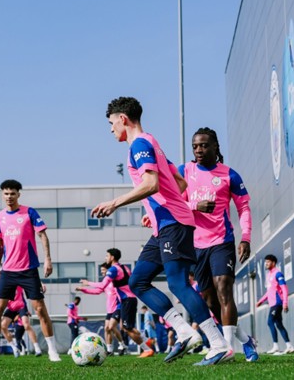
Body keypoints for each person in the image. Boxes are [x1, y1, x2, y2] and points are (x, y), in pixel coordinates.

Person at [92, 96, 233, 366]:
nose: (111, 129)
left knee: (178, 283)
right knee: (137, 282)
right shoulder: (152, 143)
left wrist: (114, 203)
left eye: (111, 123)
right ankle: (184, 332)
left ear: (123, 119)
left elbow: (151, 184)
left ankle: (218, 344)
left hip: (174, 223)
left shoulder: (139, 144)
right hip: (165, 224)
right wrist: (157, 208)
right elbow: (179, 182)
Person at [180, 127, 259, 362]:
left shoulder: (229, 175)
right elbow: (174, 203)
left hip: (222, 240)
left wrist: (246, 238)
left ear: (215, 146)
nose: (198, 150)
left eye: (204, 145)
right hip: (196, 244)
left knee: (224, 287)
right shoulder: (185, 171)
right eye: (195, 146)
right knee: (210, 300)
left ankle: (227, 349)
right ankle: (245, 340)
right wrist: (195, 207)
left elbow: (244, 208)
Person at [0, 179, 61, 363]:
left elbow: (42, 235)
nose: (9, 197)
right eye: (6, 193)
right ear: (2, 195)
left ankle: (52, 351)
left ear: (18, 194)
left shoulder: (29, 212)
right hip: (7, 271)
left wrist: (48, 259)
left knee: (40, 309)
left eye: (12, 193)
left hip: (28, 270)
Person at [77, 264, 125, 355]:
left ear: (109, 271)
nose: (102, 272)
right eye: (101, 270)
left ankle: (121, 345)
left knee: (111, 327)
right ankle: (109, 349)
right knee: (107, 328)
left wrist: (88, 283)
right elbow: (97, 291)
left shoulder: (114, 281)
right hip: (110, 309)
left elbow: (101, 285)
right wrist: (83, 289)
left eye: (103, 270)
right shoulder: (105, 283)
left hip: (118, 307)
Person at [257, 254, 294, 354]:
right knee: (279, 324)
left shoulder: (278, 274)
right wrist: (261, 301)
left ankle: (276, 346)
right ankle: (289, 346)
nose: (266, 263)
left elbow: (284, 289)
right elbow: (269, 291)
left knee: (270, 322)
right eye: (265, 262)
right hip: (272, 304)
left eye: (268, 262)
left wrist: (285, 303)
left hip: (277, 303)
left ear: (273, 263)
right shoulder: (269, 275)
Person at [1, 285, 42, 357]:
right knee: (3, 326)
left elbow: (29, 280)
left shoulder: (18, 283)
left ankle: (37, 348)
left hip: (21, 306)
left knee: (26, 325)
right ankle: (14, 348)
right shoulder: (4, 285)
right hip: (11, 308)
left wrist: (40, 284)